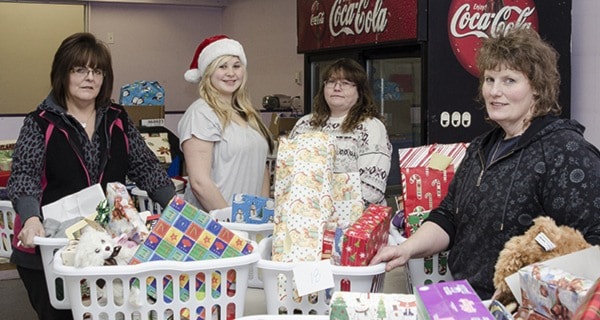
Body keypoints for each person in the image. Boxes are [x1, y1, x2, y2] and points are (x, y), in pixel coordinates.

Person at [371, 27, 600, 300]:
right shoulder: (481, 147)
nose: (495, 91)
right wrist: (406, 248)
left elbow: (590, 245)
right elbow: (448, 218)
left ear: (538, 89)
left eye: (509, 80)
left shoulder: (565, 151)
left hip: (524, 309)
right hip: (469, 301)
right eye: (490, 79)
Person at [7, 32, 176, 320]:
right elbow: (25, 176)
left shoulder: (117, 118)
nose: (90, 78)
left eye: (97, 71)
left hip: (105, 251)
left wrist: (179, 210)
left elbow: (147, 168)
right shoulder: (40, 122)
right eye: (79, 69)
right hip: (51, 252)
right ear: (62, 73)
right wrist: (31, 218)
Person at [178, 35, 274, 212]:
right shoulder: (201, 113)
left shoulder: (248, 114)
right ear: (208, 73)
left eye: (236, 66)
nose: (231, 73)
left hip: (249, 224)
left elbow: (261, 169)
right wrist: (231, 224)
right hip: (216, 227)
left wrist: (261, 214)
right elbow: (200, 183)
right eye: (222, 66)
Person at [288, 58, 392, 205]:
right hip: (305, 218)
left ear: (359, 91)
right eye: (331, 82)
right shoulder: (303, 124)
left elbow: (372, 189)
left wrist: (321, 204)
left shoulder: (371, 127)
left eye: (345, 83)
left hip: (355, 221)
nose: (337, 88)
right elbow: (287, 175)